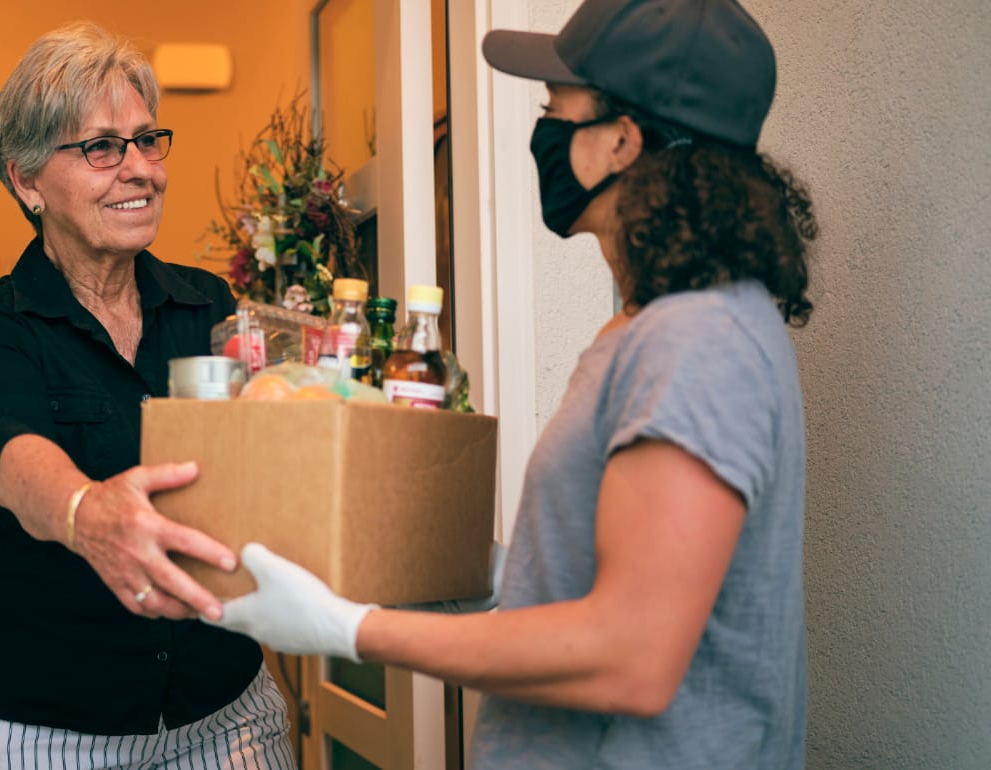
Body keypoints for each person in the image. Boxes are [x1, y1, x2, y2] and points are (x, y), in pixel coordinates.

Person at [211, 0, 817, 767]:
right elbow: (625, 571)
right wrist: (493, 574)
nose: (543, 136)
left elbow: (629, 657)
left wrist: (346, 629)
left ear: (622, 143)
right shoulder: (655, 325)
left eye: (554, 113)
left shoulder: (697, 343)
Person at [0, 21, 295, 770]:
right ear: (26, 180)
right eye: (102, 146)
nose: (140, 169)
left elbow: (269, 452)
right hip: (38, 723)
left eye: (147, 139)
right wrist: (84, 510)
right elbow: (7, 449)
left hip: (224, 707)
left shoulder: (206, 308)